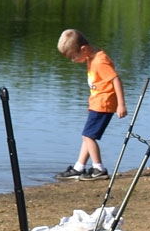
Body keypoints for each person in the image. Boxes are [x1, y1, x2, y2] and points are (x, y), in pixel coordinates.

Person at [53, 29, 127, 181]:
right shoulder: (91, 58)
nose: (73, 61)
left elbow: (115, 80)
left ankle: (98, 168)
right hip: (97, 103)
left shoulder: (100, 60)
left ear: (83, 49)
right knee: (88, 136)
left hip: (104, 104)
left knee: (88, 136)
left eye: (73, 57)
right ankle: (79, 167)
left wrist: (121, 104)